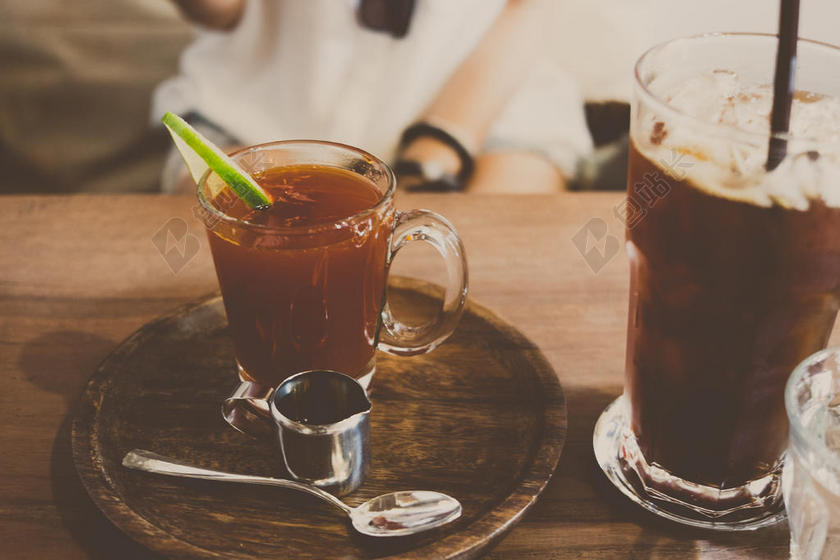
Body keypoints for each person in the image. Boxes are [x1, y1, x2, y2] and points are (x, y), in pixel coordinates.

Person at [155, 0, 593, 194]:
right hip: (266, 103)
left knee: (504, 240)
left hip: (487, 103)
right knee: (228, 234)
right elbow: (221, 12)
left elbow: (527, 8)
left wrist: (437, 150)